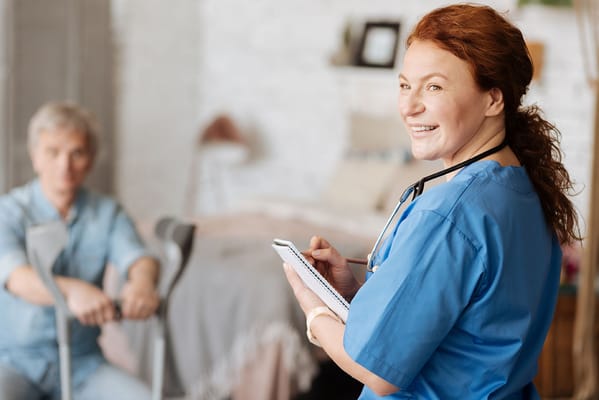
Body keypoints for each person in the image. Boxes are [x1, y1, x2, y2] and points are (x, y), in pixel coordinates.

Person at [283, 4, 581, 399]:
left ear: (494, 99)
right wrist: (358, 296)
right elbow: (468, 331)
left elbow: (377, 370)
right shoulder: (523, 191)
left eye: (434, 87)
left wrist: (314, 308)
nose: (408, 107)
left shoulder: (449, 215)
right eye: (405, 85)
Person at [0, 102, 160, 399]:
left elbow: (138, 257)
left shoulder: (108, 213)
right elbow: (17, 278)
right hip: (13, 362)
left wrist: (142, 283)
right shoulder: (8, 213)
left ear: (91, 158)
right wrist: (73, 292)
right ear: (35, 157)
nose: (65, 165)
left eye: (77, 153)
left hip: (83, 363)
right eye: (53, 152)